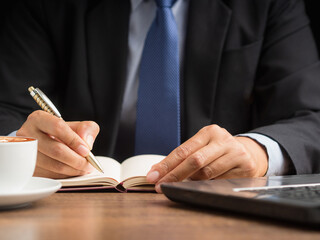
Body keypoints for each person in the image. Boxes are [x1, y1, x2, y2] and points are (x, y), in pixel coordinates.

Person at [1, 0, 320, 193]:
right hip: (76, 209)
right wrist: (20, 146)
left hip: (217, 205)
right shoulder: (45, 6)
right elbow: (7, 107)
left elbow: (312, 117)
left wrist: (257, 153)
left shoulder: (269, 5)